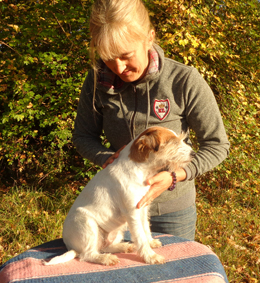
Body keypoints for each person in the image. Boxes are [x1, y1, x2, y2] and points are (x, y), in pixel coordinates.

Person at [72, 0, 230, 241]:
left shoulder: (183, 80)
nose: (118, 67)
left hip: (173, 212)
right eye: (108, 58)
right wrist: (106, 158)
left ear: (149, 38)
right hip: (118, 213)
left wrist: (176, 176)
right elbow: (83, 136)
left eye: (126, 55)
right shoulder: (96, 83)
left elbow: (218, 145)